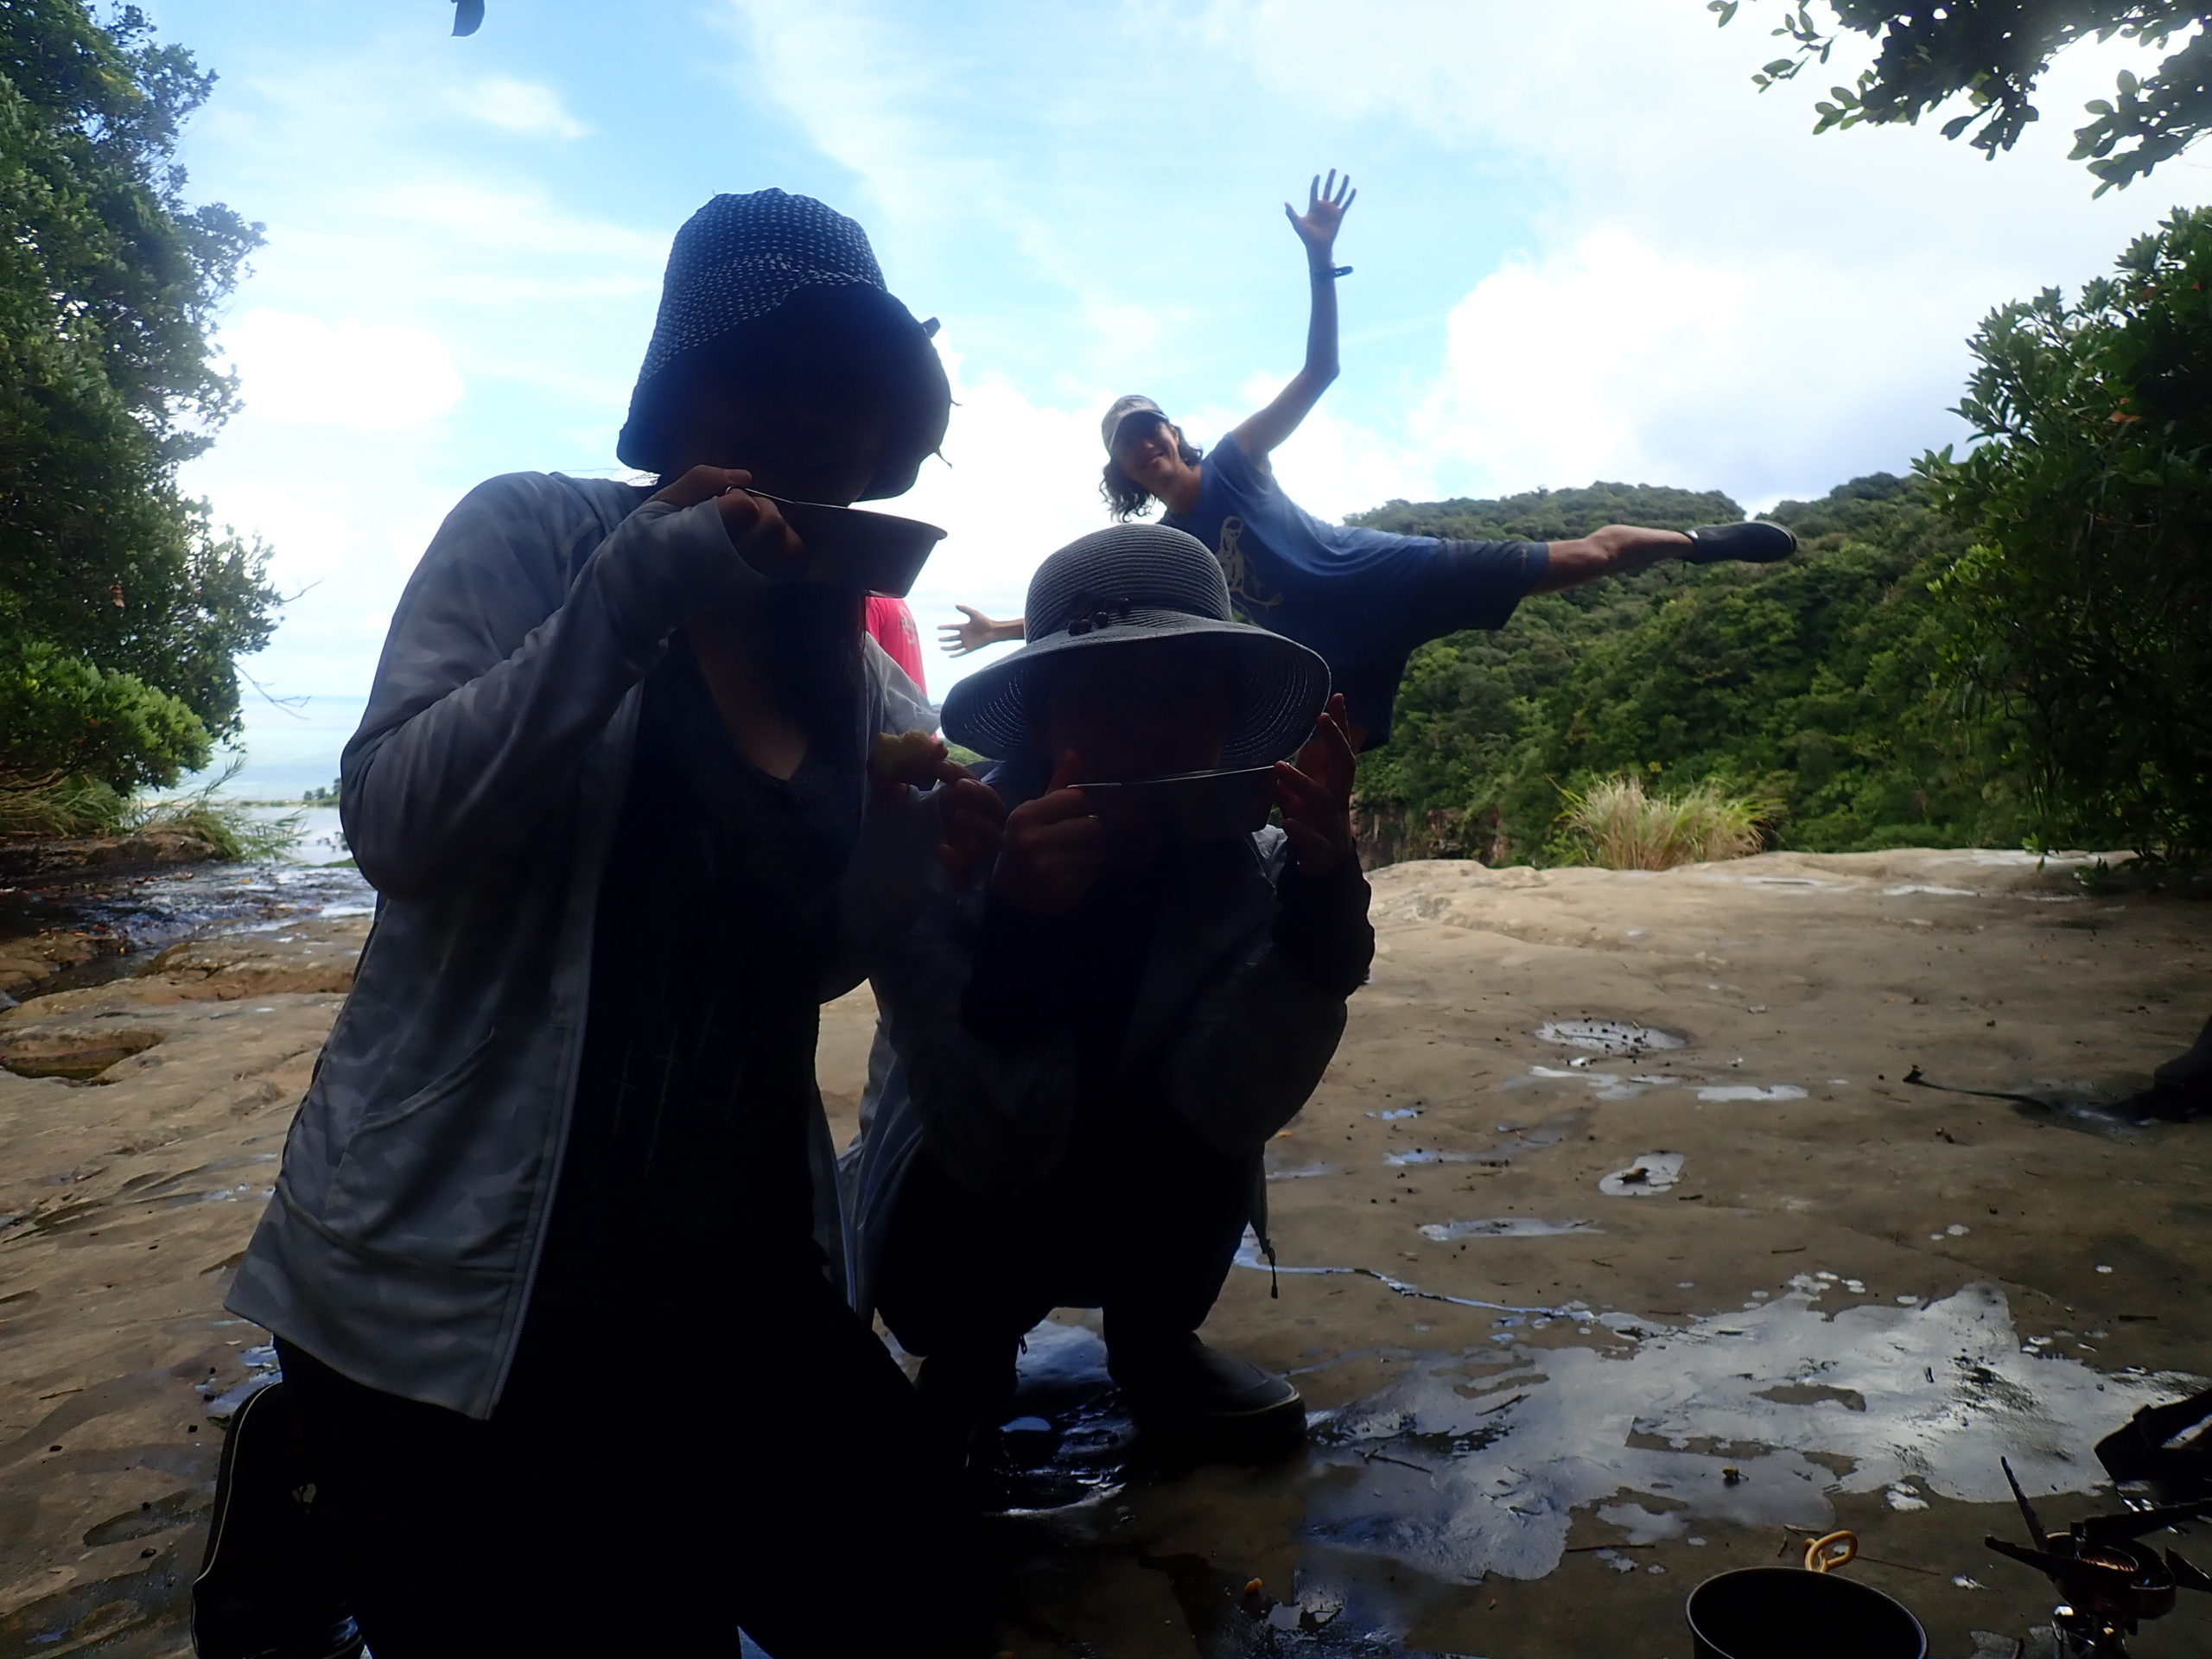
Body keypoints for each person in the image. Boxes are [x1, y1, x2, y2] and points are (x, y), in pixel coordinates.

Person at [221, 190, 1003, 1658]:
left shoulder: (860, 671)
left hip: (739, 1261)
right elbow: (393, 824)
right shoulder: (533, 532)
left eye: (865, 403)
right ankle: (311, 1485)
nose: (836, 438)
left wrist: (907, 860)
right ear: (697, 392)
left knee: (930, 1600)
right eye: (798, 387)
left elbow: (805, 962)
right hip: (453, 1275)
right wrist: (625, 601)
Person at [940, 171, 1799, 749]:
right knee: (1308, 763)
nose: (1150, 444)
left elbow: (1321, 371)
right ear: (1125, 471)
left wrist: (1318, 262)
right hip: (1328, 658)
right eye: (1132, 443)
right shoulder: (1170, 548)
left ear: (1175, 433)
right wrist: (999, 632)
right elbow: (1103, 613)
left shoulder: (1237, 459)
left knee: (1586, 559)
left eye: (1155, 427)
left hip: (1394, 577)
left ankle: (1695, 540)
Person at [851, 523, 1376, 1465]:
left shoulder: (1251, 866)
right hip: (963, 1194)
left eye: (1182, 691)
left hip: (1151, 1192)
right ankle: (969, 1356)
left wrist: (1322, 899)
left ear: (1228, 713)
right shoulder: (949, 849)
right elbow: (985, 1140)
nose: (1145, 725)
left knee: (1198, 1130)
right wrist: (1017, 926)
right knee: (943, 1221)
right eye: (1105, 693)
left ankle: (1155, 1341)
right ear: (1045, 715)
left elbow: (1237, 1095)